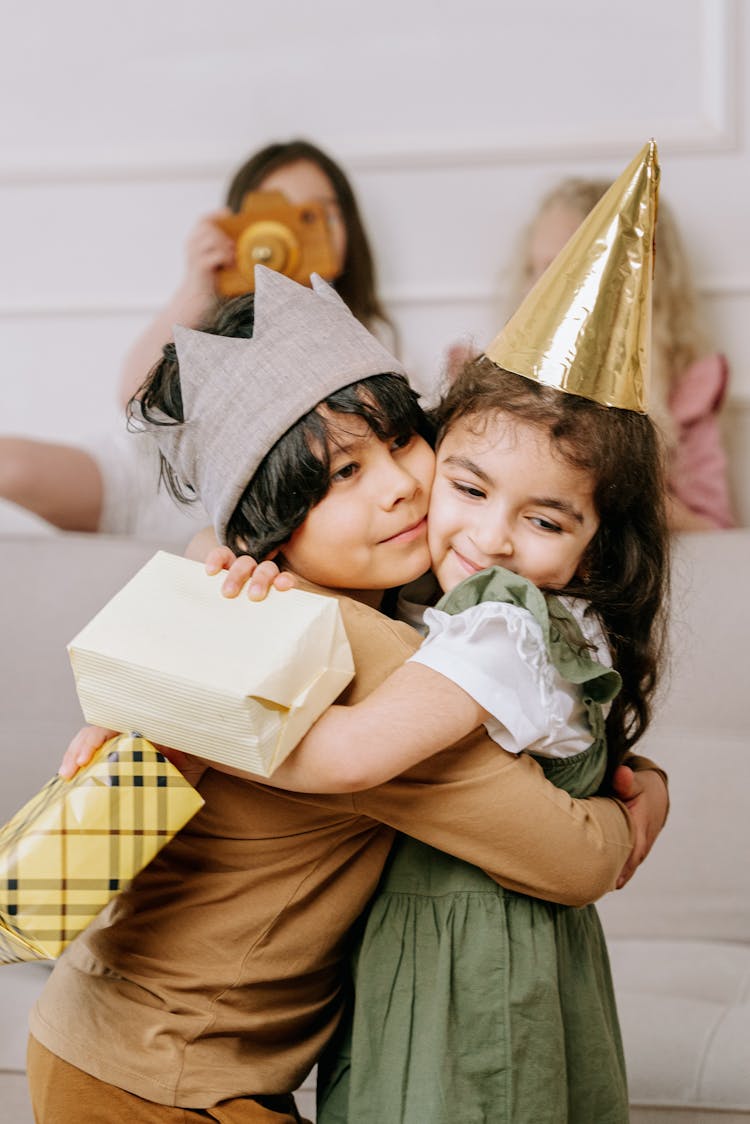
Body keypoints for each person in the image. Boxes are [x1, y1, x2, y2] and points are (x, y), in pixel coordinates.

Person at [37, 265, 667, 1124]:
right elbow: (572, 859)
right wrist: (636, 806)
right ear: (265, 528)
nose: (400, 485)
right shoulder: (356, 648)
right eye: (339, 477)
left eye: (403, 439)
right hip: (161, 1079)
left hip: (143, 1047)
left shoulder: (325, 601)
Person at [201, 143, 669, 1123]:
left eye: (544, 519)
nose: (490, 536)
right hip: (491, 954)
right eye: (468, 485)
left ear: (592, 543)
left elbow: (355, 756)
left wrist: (208, 708)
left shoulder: (495, 620)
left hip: (465, 969)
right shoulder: (447, 601)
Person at [1, 138, 392, 544]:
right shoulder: (214, 319)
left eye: (313, 216)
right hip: (147, 476)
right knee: (12, 468)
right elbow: (135, 400)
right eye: (276, 214)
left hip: (244, 505)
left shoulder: (368, 344)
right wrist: (196, 290)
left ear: (349, 230)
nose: (289, 233)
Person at [446, 175, 735, 531]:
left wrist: (610, 480)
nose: (537, 291)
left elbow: (715, 533)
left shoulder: (688, 386)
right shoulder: (478, 373)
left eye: (561, 270)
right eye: (534, 270)